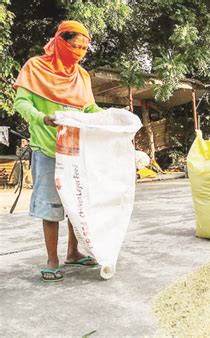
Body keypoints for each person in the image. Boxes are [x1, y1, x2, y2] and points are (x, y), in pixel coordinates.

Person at [13, 21, 102, 282]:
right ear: (60, 42)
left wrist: (112, 117)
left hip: (76, 150)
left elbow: (89, 110)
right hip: (46, 148)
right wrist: (42, 118)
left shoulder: (82, 76)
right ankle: (52, 259)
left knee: (77, 205)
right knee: (51, 206)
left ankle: (73, 252)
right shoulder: (35, 67)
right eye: (74, 46)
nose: (79, 52)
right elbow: (21, 102)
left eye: (84, 49)